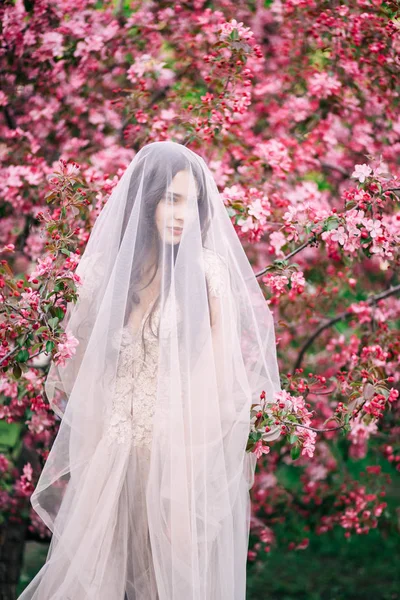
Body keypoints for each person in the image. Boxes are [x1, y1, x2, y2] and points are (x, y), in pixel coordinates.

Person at [18, 140, 281, 599]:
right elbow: (78, 367)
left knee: (168, 581)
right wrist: (99, 446)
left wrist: (184, 470)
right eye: (172, 199)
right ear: (147, 199)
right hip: (111, 450)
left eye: (192, 203)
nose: (182, 214)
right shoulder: (106, 272)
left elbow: (217, 381)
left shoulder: (207, 274)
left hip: (178, 454)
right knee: (97, 578)